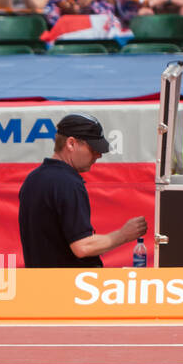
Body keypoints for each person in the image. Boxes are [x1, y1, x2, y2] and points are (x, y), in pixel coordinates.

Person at [17, 114, 147, 268]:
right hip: (71, 286)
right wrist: (124, 234)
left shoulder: (33, 179)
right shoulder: (68, 183)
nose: (98, 155)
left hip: (41, 283)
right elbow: (82, 246)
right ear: (71, 143)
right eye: (93, 148)